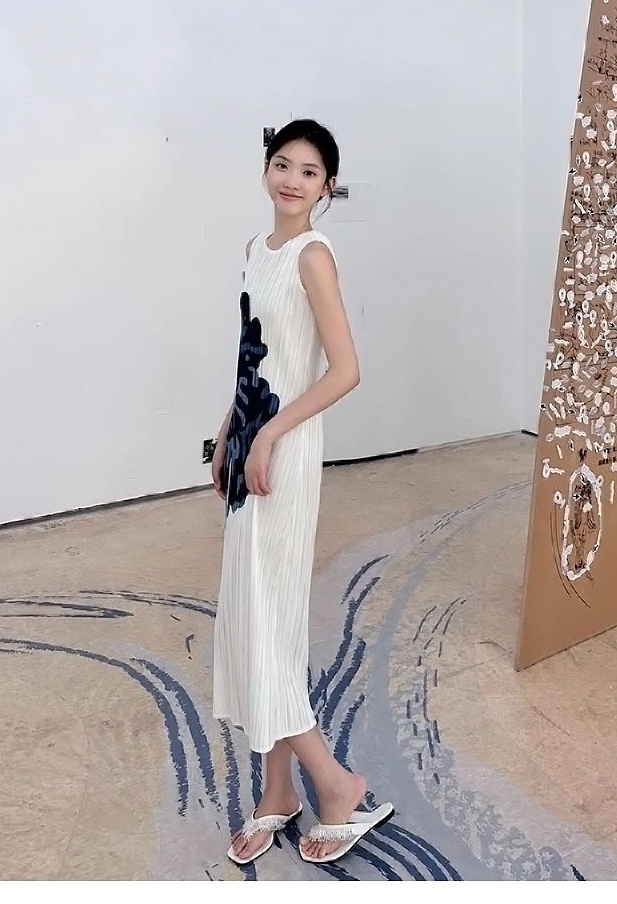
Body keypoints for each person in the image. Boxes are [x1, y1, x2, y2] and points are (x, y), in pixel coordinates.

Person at [210, 119, 392, 866]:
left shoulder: (313, 256)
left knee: (268, 620)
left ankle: (337, 786)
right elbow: (255, 355)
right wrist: (230, 428)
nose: (291, 179)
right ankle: (277, 792)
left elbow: (344, 371)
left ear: (327, 187)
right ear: (266, 168)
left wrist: (268, 435)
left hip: (284, 451)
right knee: (258, 619)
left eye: (309, 172)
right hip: (252, 442)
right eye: (282, 164)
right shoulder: (257, 248)